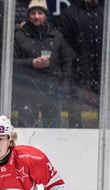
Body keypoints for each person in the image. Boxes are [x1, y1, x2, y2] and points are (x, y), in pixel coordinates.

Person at [13, 0, 73, 128]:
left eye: (39, 13)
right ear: (28, 15)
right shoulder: (19, 36)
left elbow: (67, 61)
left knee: (53, 130)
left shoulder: (56, 36)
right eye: (33, 13)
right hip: (27, 91)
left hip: (51, 91)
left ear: (45, 15)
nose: (36, 16)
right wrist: (31, 63)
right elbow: (10, 63)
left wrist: (62, 86)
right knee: (25, 130)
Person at [59, 0, 103, 128]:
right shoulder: (69, 13)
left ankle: (106, 128)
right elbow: (64, 42)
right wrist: (74, 60)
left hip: (100, 65)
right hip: (77, 65)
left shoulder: (102, 13)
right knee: (75, 101)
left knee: (103, 100)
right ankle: (75, 128)